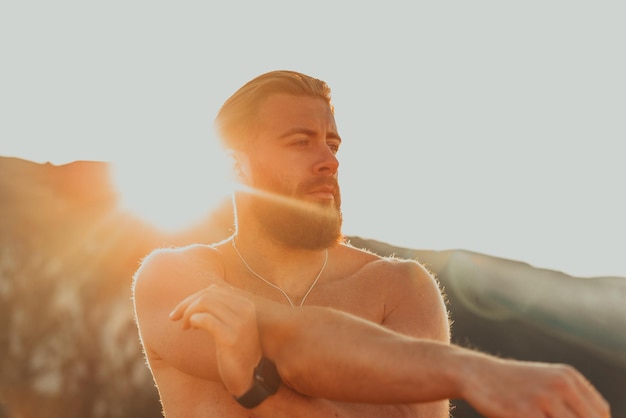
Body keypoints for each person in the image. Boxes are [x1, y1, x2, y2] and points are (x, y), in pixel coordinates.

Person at [132, 70, 610, 418]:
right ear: (236, 169)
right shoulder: (176, 277)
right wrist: (470, 371)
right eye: (301, 142)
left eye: (332, 144)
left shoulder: (398, 288)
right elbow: (292, 345)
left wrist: (257, 388)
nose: (329, 161)